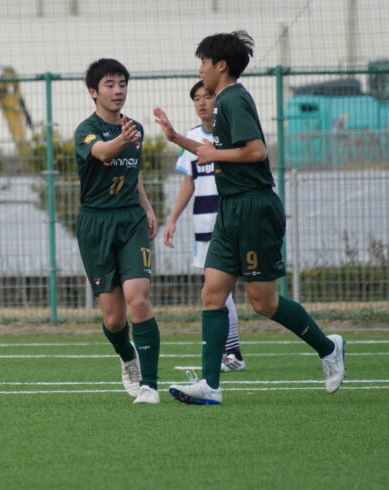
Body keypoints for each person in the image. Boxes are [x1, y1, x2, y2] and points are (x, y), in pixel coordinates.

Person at [153, 31, 345, 405]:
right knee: (212, 294)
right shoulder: (224, 102)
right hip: (231, 209)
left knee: (263, 302)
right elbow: (213, 150)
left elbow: (256, 151)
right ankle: (210, 385)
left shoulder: (234, 98)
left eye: (203, 63)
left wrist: (215, 155)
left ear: (221, 66)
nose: (200, 70)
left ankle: (328, 347)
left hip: (255, 208)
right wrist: (176, 137)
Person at [75, 58, 162, 404]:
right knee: (113, 320)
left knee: (138, 299)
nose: (118, 91)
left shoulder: (134, 128)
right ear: (93, 92)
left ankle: (150, 385)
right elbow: (101, 152)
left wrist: (148, 208)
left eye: (122, 84)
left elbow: (133, 175)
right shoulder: (86, 130)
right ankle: (128, 357)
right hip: (95, 225)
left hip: (131, 221)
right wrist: (122, 140)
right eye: (109, 85)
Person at [159, 81, 245, 372]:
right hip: (204, 225)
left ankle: (232, 353)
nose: (202, 103)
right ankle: (231, 353)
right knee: (216, 291)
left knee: (221, 290)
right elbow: (189, 182)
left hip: (231, 222)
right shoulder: (192, 138)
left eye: (207, 96)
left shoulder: (230, 134)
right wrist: (172, 219)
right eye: (196, 98)